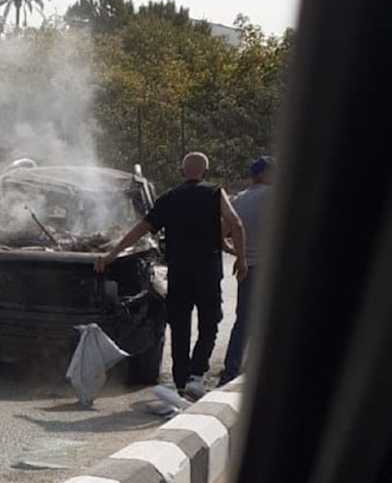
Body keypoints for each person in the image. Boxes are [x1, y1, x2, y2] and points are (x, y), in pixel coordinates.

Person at [95, 152, 247, 399]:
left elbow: (140, 230)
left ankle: (180, 381)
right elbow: (236, 224)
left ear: (181, 171)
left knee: (179, 326)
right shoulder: (215, 193)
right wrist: (240, 258)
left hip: (179, 272)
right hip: (208, 272)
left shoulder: (168, 198)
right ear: (205, 171)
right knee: (210, 322)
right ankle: (197, 375)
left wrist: (111, 255)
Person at [218, 156, 275, 385]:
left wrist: (239, 255)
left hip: (248, 268)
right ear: (262, 174)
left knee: (243, 321)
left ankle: (230, 372)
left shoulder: (238, 200)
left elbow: (220, 237)